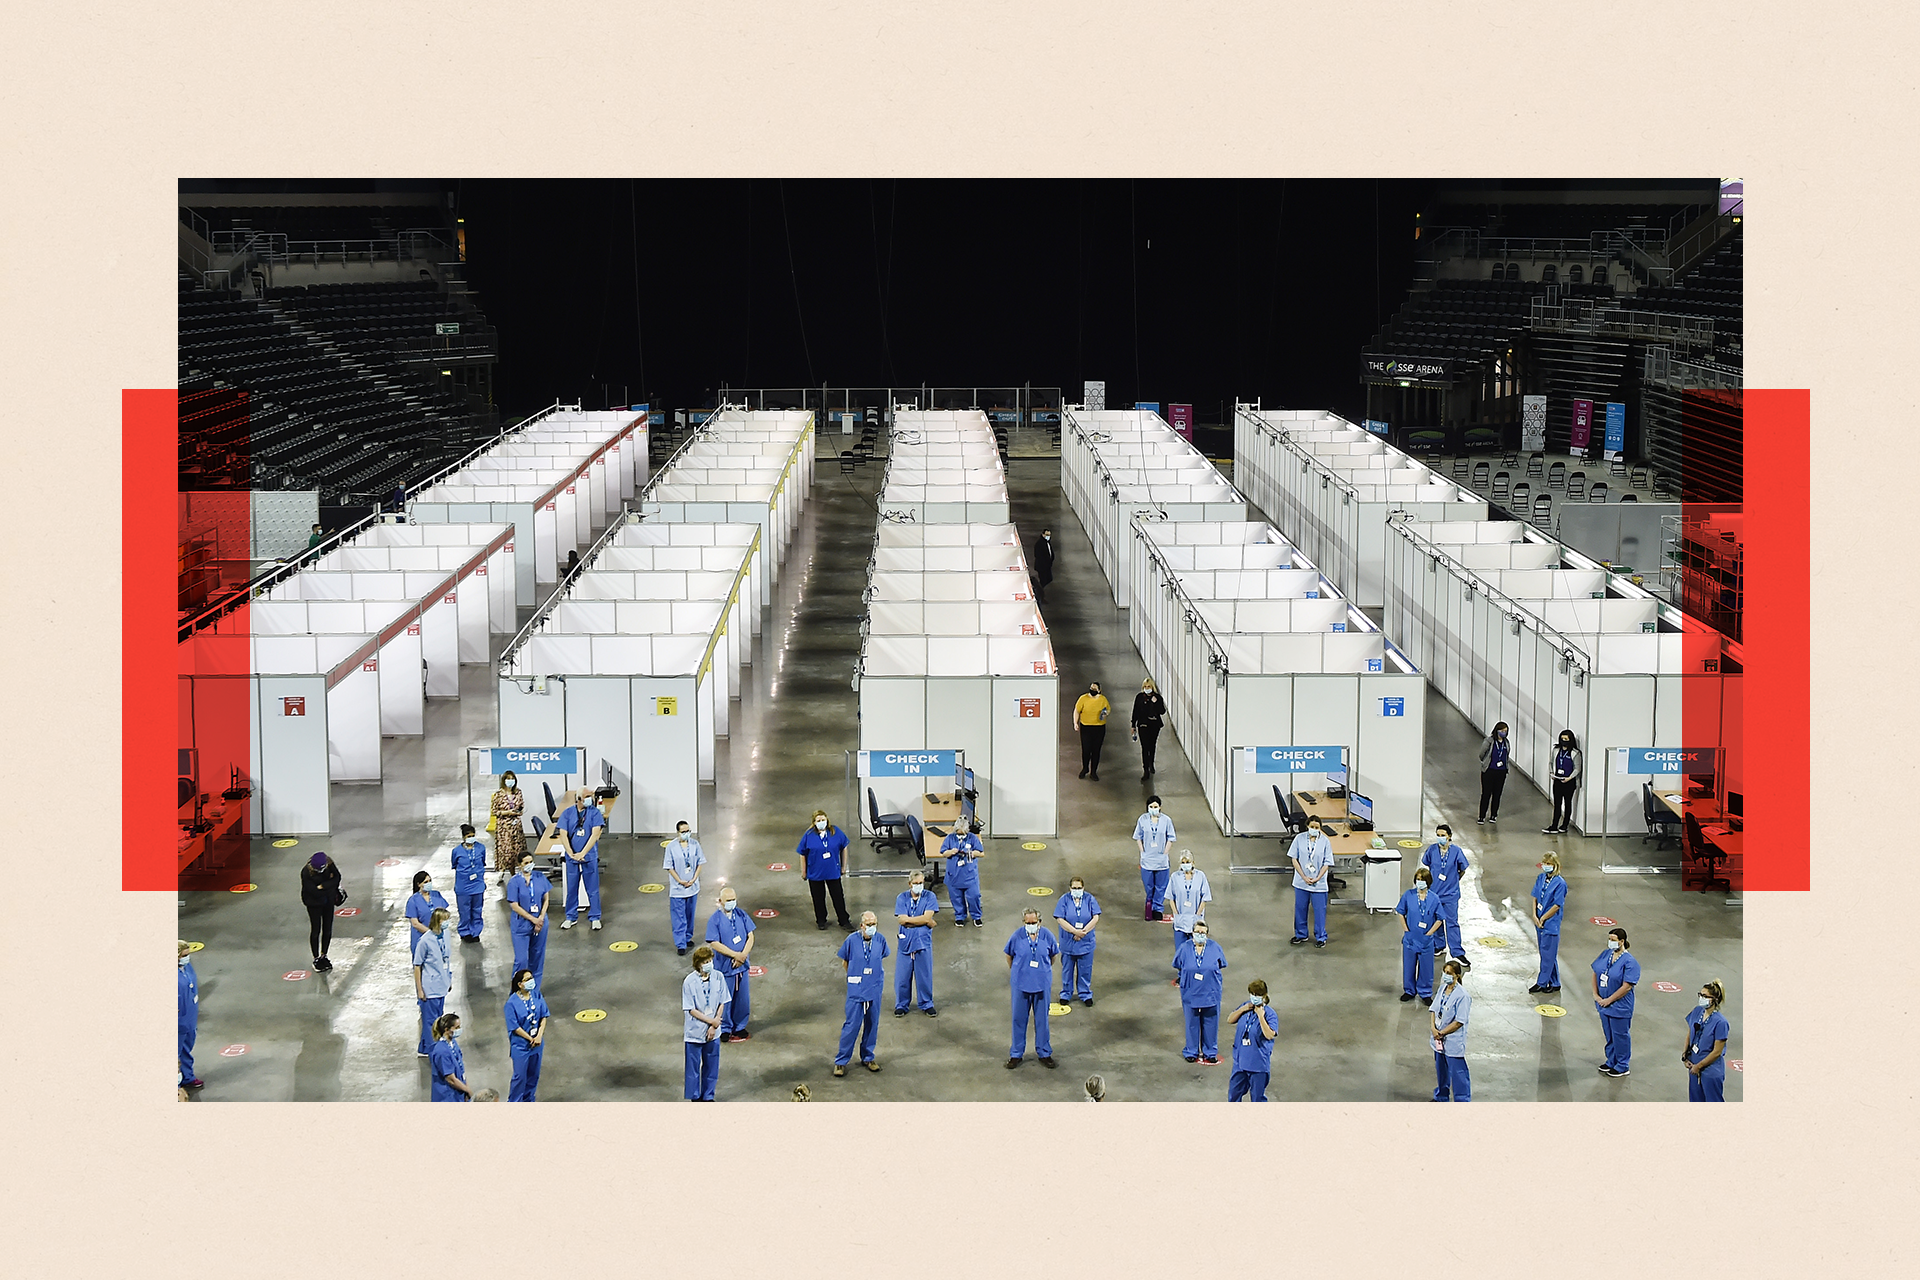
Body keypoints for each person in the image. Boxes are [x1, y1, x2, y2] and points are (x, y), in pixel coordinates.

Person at [834, 912, 890, 1076]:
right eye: (869, 924)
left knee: (872, 1024)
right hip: (857, 989)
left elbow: (880, 958)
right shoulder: (851, 940)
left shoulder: (880, 940)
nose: (872, 927)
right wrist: (855, 976)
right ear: (862, 926)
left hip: (874, 987)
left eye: (874, 923)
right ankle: (841, 1061)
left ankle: (868, 1056)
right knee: (852, 1025)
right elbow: (845, 962)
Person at [1005, 908, 1060, 1069]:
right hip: (1021, 986)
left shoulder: (1047, 936)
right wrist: (1018, 973)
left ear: (1039, 922)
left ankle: (1044, 1053)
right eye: (1027, 923)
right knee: (1018, 1020)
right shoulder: (1017, 936)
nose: (1030, 925)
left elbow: (1053, 956)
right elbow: (1009, 956)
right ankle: (1016, 1054)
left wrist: (1041, 972)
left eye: (1033, 922)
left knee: (1042, 1020)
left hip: (1041, 986)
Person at [704, 887, 756, 1041]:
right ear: (720, 902)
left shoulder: (741, 914)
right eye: (729, 900)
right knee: (725, 999)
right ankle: (725, 1027)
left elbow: (750, 935)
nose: (732, 903)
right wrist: (735, 955)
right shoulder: (715, 920)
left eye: (734, 899)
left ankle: (740, 1026)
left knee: (742, 998)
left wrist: (743, 956)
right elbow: (714, 943)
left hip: (742, 965)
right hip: (726, 967)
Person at [1173, 922, 1229, 1063]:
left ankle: (1210, 1051)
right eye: (1197, 932)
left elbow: (1222, 963)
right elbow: (1177, 964)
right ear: (1192, 933)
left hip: (1210, 991)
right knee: (1191, 1021)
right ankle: (1191, 1051)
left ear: (1207, 934)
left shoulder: (1215, 948)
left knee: (1211, 1022)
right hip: (1190, 991)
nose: (1200, 935)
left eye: (1203, 933)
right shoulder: (1184, 949)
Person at [681, 945, 729, 1102]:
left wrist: (714, 1025)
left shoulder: (718, 977)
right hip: (695, 1031)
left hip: (713, 1031)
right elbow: (691, 1009)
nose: (709, 964)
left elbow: (722, 1001)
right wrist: (712, 1022)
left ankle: (708, 1095)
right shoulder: (689, 982)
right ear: (698, 964)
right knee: (693, 1068)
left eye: (710, 960)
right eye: (706, 961)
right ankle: (695, 1097)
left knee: (711, 1066)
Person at [1418, 823, 1469, 967]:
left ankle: (1457, 952)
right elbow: (1428, 866)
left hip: (1451, 894)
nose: (1440, 838)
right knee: (1436, 922)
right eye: (1438, 835)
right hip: (1434, 893)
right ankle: (1439, 945)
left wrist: (1454, 881)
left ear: (1449, 836)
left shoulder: (1456, 852)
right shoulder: (1432, 850)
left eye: (1443, 835)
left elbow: (1462, 869)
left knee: (1452, 922)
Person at [1592, 926, 1640, 1077]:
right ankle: (1611, 1060)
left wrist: (1609, 1000)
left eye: (1613, 940)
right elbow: (1596, 972)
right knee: (1609, 1034)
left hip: (1619, 1006)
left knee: (1620, 1035)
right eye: (1609, 939)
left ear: (1622, 941)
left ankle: (1622, 1064)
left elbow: (1626, 987)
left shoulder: (1630, 962)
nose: (1610, 943)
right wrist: (1596, 995)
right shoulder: (1606, 954)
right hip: (1604, 1005)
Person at [892, 870, 941, 1017]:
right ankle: (901, 1004)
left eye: (921, 883)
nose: (919, 886)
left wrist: (911, 921)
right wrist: (925, 922)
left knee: (924, 975)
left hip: (922, 942)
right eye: (916, 883)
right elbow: (902, 920)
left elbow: (927, 917)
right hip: (905, 942)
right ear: (909, 884)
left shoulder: (930, 897)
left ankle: (927, 1004)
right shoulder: (902, 898)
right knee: (902, 977)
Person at [555, 789, 605, 932]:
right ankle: (571, 916)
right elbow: (563, 834)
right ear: (578, 799)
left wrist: (583, 853)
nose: (590, 799)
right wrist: (571, 853)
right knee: (571, 888)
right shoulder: (568, 813)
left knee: (593, 888)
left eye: (591, 796)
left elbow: (595, 834)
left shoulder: (594, 813)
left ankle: (595, 917)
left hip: (589, 856)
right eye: (587, 797)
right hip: (572, 857)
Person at [1395, 867, 1446, 1004]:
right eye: (1418, 880)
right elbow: (1400, 912)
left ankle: (1425, 992)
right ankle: (1409, 990)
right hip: (1411, 938)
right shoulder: (1408, 895)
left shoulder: (1434, 899)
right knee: (1409, 966)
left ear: (1428, 882)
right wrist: (1406, 930)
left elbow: (1440, 919)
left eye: (1422, 880)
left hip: (1426, 940)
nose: (1420, 882)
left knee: (1426, 968)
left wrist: (1429, 934)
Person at [799, 809, 853, 932]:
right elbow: (802, 853)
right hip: (815, 873)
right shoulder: (808, 835)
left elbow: (844, 847)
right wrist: (804, 871)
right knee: (818, 898)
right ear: (814, 822)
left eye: (823, 820)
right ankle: (821, 920)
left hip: (833, 872)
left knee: (838, 897)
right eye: (818, 820)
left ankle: (844, 920)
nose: (821, 822)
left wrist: (844, 866)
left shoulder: (835, 832)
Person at [1052, 876, 1101, 1006]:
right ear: (1070, 888)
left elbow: (1095, 917)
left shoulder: (1090, 899)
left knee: (1085, 970)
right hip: (1069, 942)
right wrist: (1074, 932)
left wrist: (1083, 932)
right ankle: (1066, 993)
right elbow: (1060, 919)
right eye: (1074, 888)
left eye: (1079, 888)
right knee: (1067, 970)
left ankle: (1085, 994)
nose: (1077, 890)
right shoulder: (1064, 900)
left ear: (1083, 888)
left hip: (1086, 942)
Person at [1226, 979, 1277, 1101]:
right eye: (1252, 994)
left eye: (1257, 995)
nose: (1254, 997)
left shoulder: (1270, 1014)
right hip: (1240, 1061)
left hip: (1257, 1064)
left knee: (1257, 1099)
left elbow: (1269, 1035)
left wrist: (1260, 1016)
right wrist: (1242, 1009)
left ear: (1264, 996)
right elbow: (1230, 1019)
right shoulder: (1246, 1007)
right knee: (1233, 1094)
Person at [412, 907, 453, 1057]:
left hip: (442, 983)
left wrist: (449, 979)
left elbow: (447, 959)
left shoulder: (446, 934)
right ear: (437, 921)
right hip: (430, 987)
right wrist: (420, 990)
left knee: (438, 1017)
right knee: (431, 1022)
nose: (447, 923)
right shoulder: (425, 941)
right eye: (445, 920)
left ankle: (424, 1048)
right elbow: (417, 965)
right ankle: (433, 1051)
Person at [506, 852, 551, 987]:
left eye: (531, 861)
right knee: (521, 960)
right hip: (522, 924)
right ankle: (517, 990)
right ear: (520, 865)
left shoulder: (540, 877)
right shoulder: (514, 882)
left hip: (540, 923)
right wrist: (533, 919)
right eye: (526, 863)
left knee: (537, 957)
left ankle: (534, 990)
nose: (529, 865)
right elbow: (514, 905)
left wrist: (541, 917)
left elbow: (546, 898)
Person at [1288, 816, 1334, 947]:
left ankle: (1321, 937)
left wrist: (1318, 878)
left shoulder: (1325, 842)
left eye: (1317, 828)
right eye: (1312, 827)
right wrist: (1303, 876)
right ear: (1307, 826)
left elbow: (1327, 863)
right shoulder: (1299, 839)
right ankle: (1301, 934)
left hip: (1318, 883)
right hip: (1301, 881)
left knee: (1319, 910)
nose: (1314, 830)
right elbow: (1294, 859)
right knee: (1300, 909)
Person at [504, 968, 549, 1101]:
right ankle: (515, 1103)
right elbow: (515, 1027)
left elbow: (544, 1016)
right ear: (520, 984)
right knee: (520, 1078)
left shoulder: (536, 994)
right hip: (522, 1047)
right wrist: (530, 1038)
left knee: (533, 1076)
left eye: (531, 978)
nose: (531, 981)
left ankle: (529, 1101)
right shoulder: (511, 1003)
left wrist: (539, 1035)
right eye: (527, 979)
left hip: (537, 1044)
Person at [1683, 980, 1731, 1102]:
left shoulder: (1721, 1023)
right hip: (1693, 1066)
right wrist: (1685, 1055)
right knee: (1695, 1100)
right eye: (1700, 995)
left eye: (1705, 996)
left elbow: (1717, 1052)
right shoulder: (1697, 1011)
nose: (1701, 998)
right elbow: (1690, 1033)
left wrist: (1699, 1066)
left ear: (1714, 999)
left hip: (1710, 1071)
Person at [1431, 959, 1472, 1101]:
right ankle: (1441, 1096)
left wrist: (1442, 1033)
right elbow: (1434, 1009)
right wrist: (1433, 1028)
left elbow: (1459, 1021)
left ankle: (1462, 1100)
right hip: (1438, 1037)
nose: (1445, 975)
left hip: (1452, 1040)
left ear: (1457, 976)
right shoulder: (1442, 989)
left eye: (1449, 973)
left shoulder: (1463, 996)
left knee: (1458, 1072)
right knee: (1441, 1071)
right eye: (1444, 972)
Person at [663, 819, 706, 952]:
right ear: (678, 832)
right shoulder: (671, 847)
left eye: (688, 831)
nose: (686, 834)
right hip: (678, 889)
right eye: (683, 832)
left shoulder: (695, 844)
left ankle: (687, 937)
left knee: (689, 915)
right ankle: (680, 944)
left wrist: (694, 879)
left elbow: (700, 863)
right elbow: (669, 867)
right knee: (679, 917)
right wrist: (680, 881)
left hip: (692, 887)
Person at [1529, 852, 1567, 994]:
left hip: (1550, 922)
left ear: (1555, 865)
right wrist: (1534, 915)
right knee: (1547, 954)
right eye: (1544, 863)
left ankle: (1542, 982)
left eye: (1549, 864)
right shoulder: (1541, 878)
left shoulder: (1560, 883)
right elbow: (1535, 897)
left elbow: (1557, 905)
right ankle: (1555, 982)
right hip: (1538, 920)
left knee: (1547, 954)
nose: (1546, 866)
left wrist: (1543, 918)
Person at [299, 851, 343, 971]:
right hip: (314, 904)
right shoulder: (306, 872)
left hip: (328, 902)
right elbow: (313, 892)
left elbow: (337, 878)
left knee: (328, 929)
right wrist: (329, 886)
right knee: (316, 930)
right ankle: (316, 957)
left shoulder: (329, 864)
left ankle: (324, 955)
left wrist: (322, 885)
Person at [1134, 797, 1176, 921]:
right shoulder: (1142, 819)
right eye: (1151, 807)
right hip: (1147, 859)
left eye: (1155, 806)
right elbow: (1138, 836)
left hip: (1161, 859)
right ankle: (1149, 904)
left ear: (1160, 807)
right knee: (1149, 885)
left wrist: (1165, 852)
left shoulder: (1166, 820)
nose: (1153, 809)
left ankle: (1157, 908)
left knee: (1161, 886)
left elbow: (1171, 837)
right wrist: (1142, 851)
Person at [939, 819, 986, 928]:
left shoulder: (972, 838)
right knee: (956, 898)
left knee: (974, 896)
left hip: (969, 876)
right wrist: (951, 852)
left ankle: (976, 916)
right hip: (954, 875)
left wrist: (973, 853)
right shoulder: (950, 838)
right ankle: (960, 917)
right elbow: (943, 852)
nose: (960, 836)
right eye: (958, 833)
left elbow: (981, 853)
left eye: (963, 834)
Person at [1163, 850, 1211, 949]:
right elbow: (1170, 897)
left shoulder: (1200, 876)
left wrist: (1198, 914)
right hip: (1181, 919)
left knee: (1195, 949)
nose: (1185, 865)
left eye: (1188, 862)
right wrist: (1176, 913)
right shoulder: (1175, 877)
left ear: (1193, 863)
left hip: (1195, 918)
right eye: (1183, 863)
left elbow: (1205, 897)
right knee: (1181, 950)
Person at [450, 825, 487, 942]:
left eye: (473, 836)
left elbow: (483, 862)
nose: (471, 838)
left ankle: (475, 932)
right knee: (464, 911)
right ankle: (465, 932)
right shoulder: (456, 851)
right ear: (463, 837)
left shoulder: (481, 848)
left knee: (477, 910)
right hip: (463, 886)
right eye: (468, 836)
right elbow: (454, 864)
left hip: (478, 885)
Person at [1543, 729, 1584, 834]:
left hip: (1569, 782)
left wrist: (1569, 778)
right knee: (1557, 804)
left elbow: (1577, 769)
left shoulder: (1575, 753)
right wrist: (1552, 773)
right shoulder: (1556, 750)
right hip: (1557, 780)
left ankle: (1565, 825)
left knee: (1567, 803)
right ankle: (1554, 826)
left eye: (1566, 739)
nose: (1563, 741)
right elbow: (1551, 762)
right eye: (1562, 739)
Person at [490, 771, 527, 878]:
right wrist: (507, 813)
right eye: (508, 779)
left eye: (512, 779)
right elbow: (494, 811)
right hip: (504, 828)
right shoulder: (498, 795)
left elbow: (521, 806)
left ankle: (515, 872)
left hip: (516, 827)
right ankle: (502, 870)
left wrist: (518, 812)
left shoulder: (518, 792)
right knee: (506, 851)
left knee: (517, 850)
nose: (510, 781)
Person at [405, 870, 450, 960]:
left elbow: (444, 914)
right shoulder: (413, 900)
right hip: (421, 938)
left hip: (439, 938)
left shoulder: (436, 895)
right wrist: (431, 933)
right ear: (419, 884)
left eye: (430, 881)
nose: (429, 884)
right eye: (425, 882)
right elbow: (415, 923)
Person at [428, 1013, 473, 1101]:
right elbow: (451, 1079)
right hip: (447, 1097)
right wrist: (468, 1090)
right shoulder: (441, 1051)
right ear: (447, 1030)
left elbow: (460, 1067)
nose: (459, 1030)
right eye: (456, 1027)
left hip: (459, 1091)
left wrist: (465, 1087)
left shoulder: (453, 1044)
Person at [177, 941, 203, 1091]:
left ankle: (188, 1076)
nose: (187, 958)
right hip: (178, 1021)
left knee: (187, 1048)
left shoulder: (187, 967)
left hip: (190, 1017)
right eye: (184, 955)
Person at [1130, 677, 1167, 780]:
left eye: (1149, 686)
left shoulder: (1157, 698)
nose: (1147, 688)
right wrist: (1133, 725)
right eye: (1145, 687)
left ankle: (1151, 763)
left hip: (1154, 725)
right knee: (1145, 747)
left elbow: (1162, 711)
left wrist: (1155, 703)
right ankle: (1145, 769)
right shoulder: (1139, 697)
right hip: (1143, 724)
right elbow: (1135, 711)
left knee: (1152, 745)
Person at [1073, 681, 1112, 780]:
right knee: (1086, 749)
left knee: (1096, 750)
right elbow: (1077, 711)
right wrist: (1075, 723)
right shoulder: (1083, 698)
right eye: (1091, 688)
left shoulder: (1103, 699)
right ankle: (1085, 768)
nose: (1092, 690)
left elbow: (1108, 710)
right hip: (1086, 727)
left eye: (1095, 689)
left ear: (1099, 690)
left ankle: (1093, 771)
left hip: (1099, 728)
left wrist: (1105, 713)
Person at [1476, 721, 1511, 824]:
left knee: (1497, 794)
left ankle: (1493, 815)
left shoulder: (1506, 742)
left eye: (1505, 731)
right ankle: (1482, 816)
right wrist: (1485, 763)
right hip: (1489, 771)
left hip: (1501, 772)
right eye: (1502, 731)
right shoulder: (1489, 741)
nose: (1503, 733)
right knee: (1486, 794)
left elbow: (1507, 754)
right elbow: (1481, 754)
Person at [1031, 527, 1054, 605]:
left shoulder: (1047, 543)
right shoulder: (1039, 544)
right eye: (1047, 535)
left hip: (1047, 566)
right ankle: (1040, 594)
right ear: (1043, 534)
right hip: (1042, 566)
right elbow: (1038, 555)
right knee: (1044, 580)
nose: (1048, 536)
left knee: (1048, 579)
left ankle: (1040, 593)